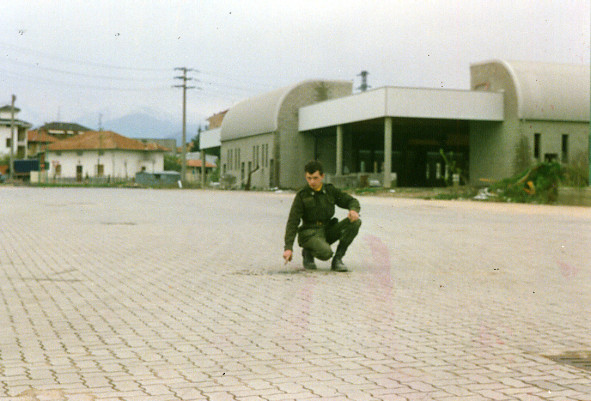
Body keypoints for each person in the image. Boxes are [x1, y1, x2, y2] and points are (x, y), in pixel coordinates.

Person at [283, 160, 361, 272]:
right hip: (309, 234)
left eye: (315, 178)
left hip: (326, 230)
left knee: (355, 222)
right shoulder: (302, 195)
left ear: (322, 176)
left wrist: (353, 210)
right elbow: (293, 221)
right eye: (309, 178)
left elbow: (351, 200)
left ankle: (338, 259)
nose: (312, 182)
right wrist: (288, 248)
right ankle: (308, 252)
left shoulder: (330, 190)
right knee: (326, 253)